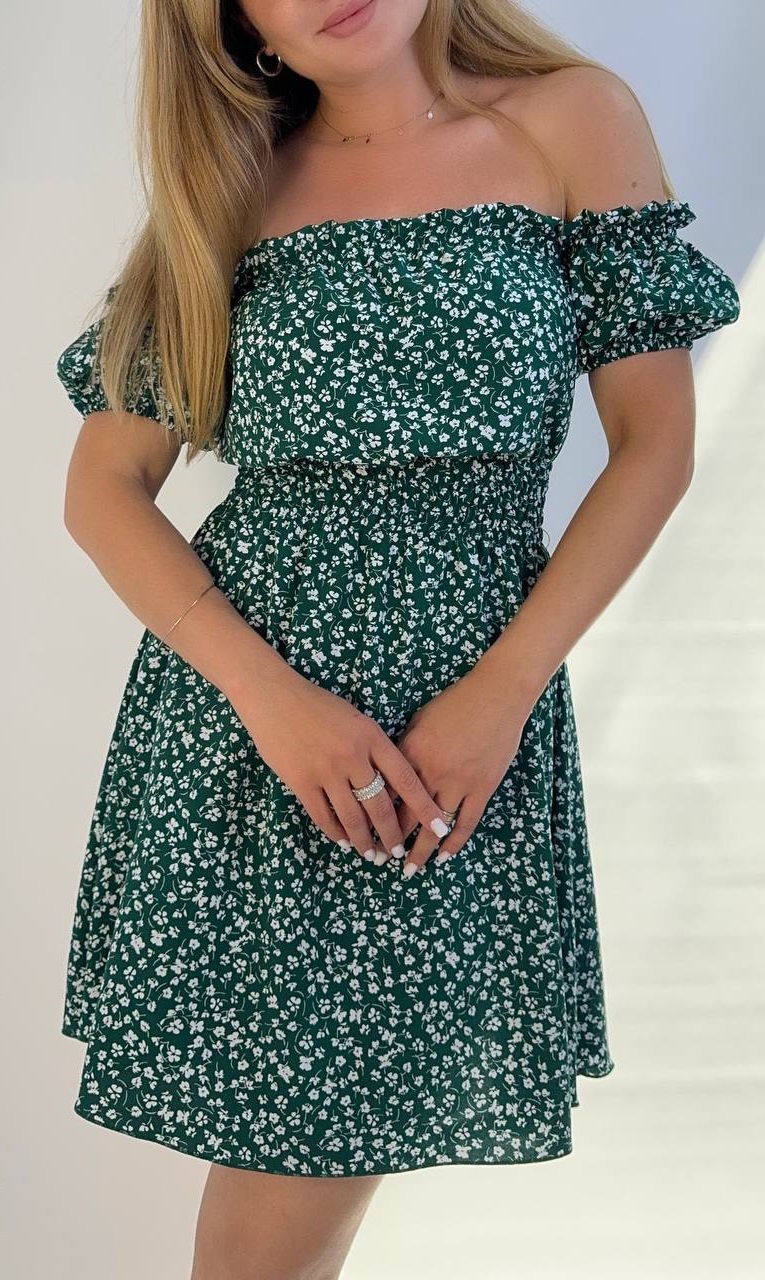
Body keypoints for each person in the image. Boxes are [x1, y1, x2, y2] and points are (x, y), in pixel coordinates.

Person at [55, 2, 741, 1277]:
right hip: (259, 739)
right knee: (284, 1179)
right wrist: (272, 703)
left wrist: (505, 689)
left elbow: (656, 443)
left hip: (459, 733)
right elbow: (102, 488)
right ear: (236, 25)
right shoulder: (234, 187)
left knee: (309, 1172)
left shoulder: (574, 122)